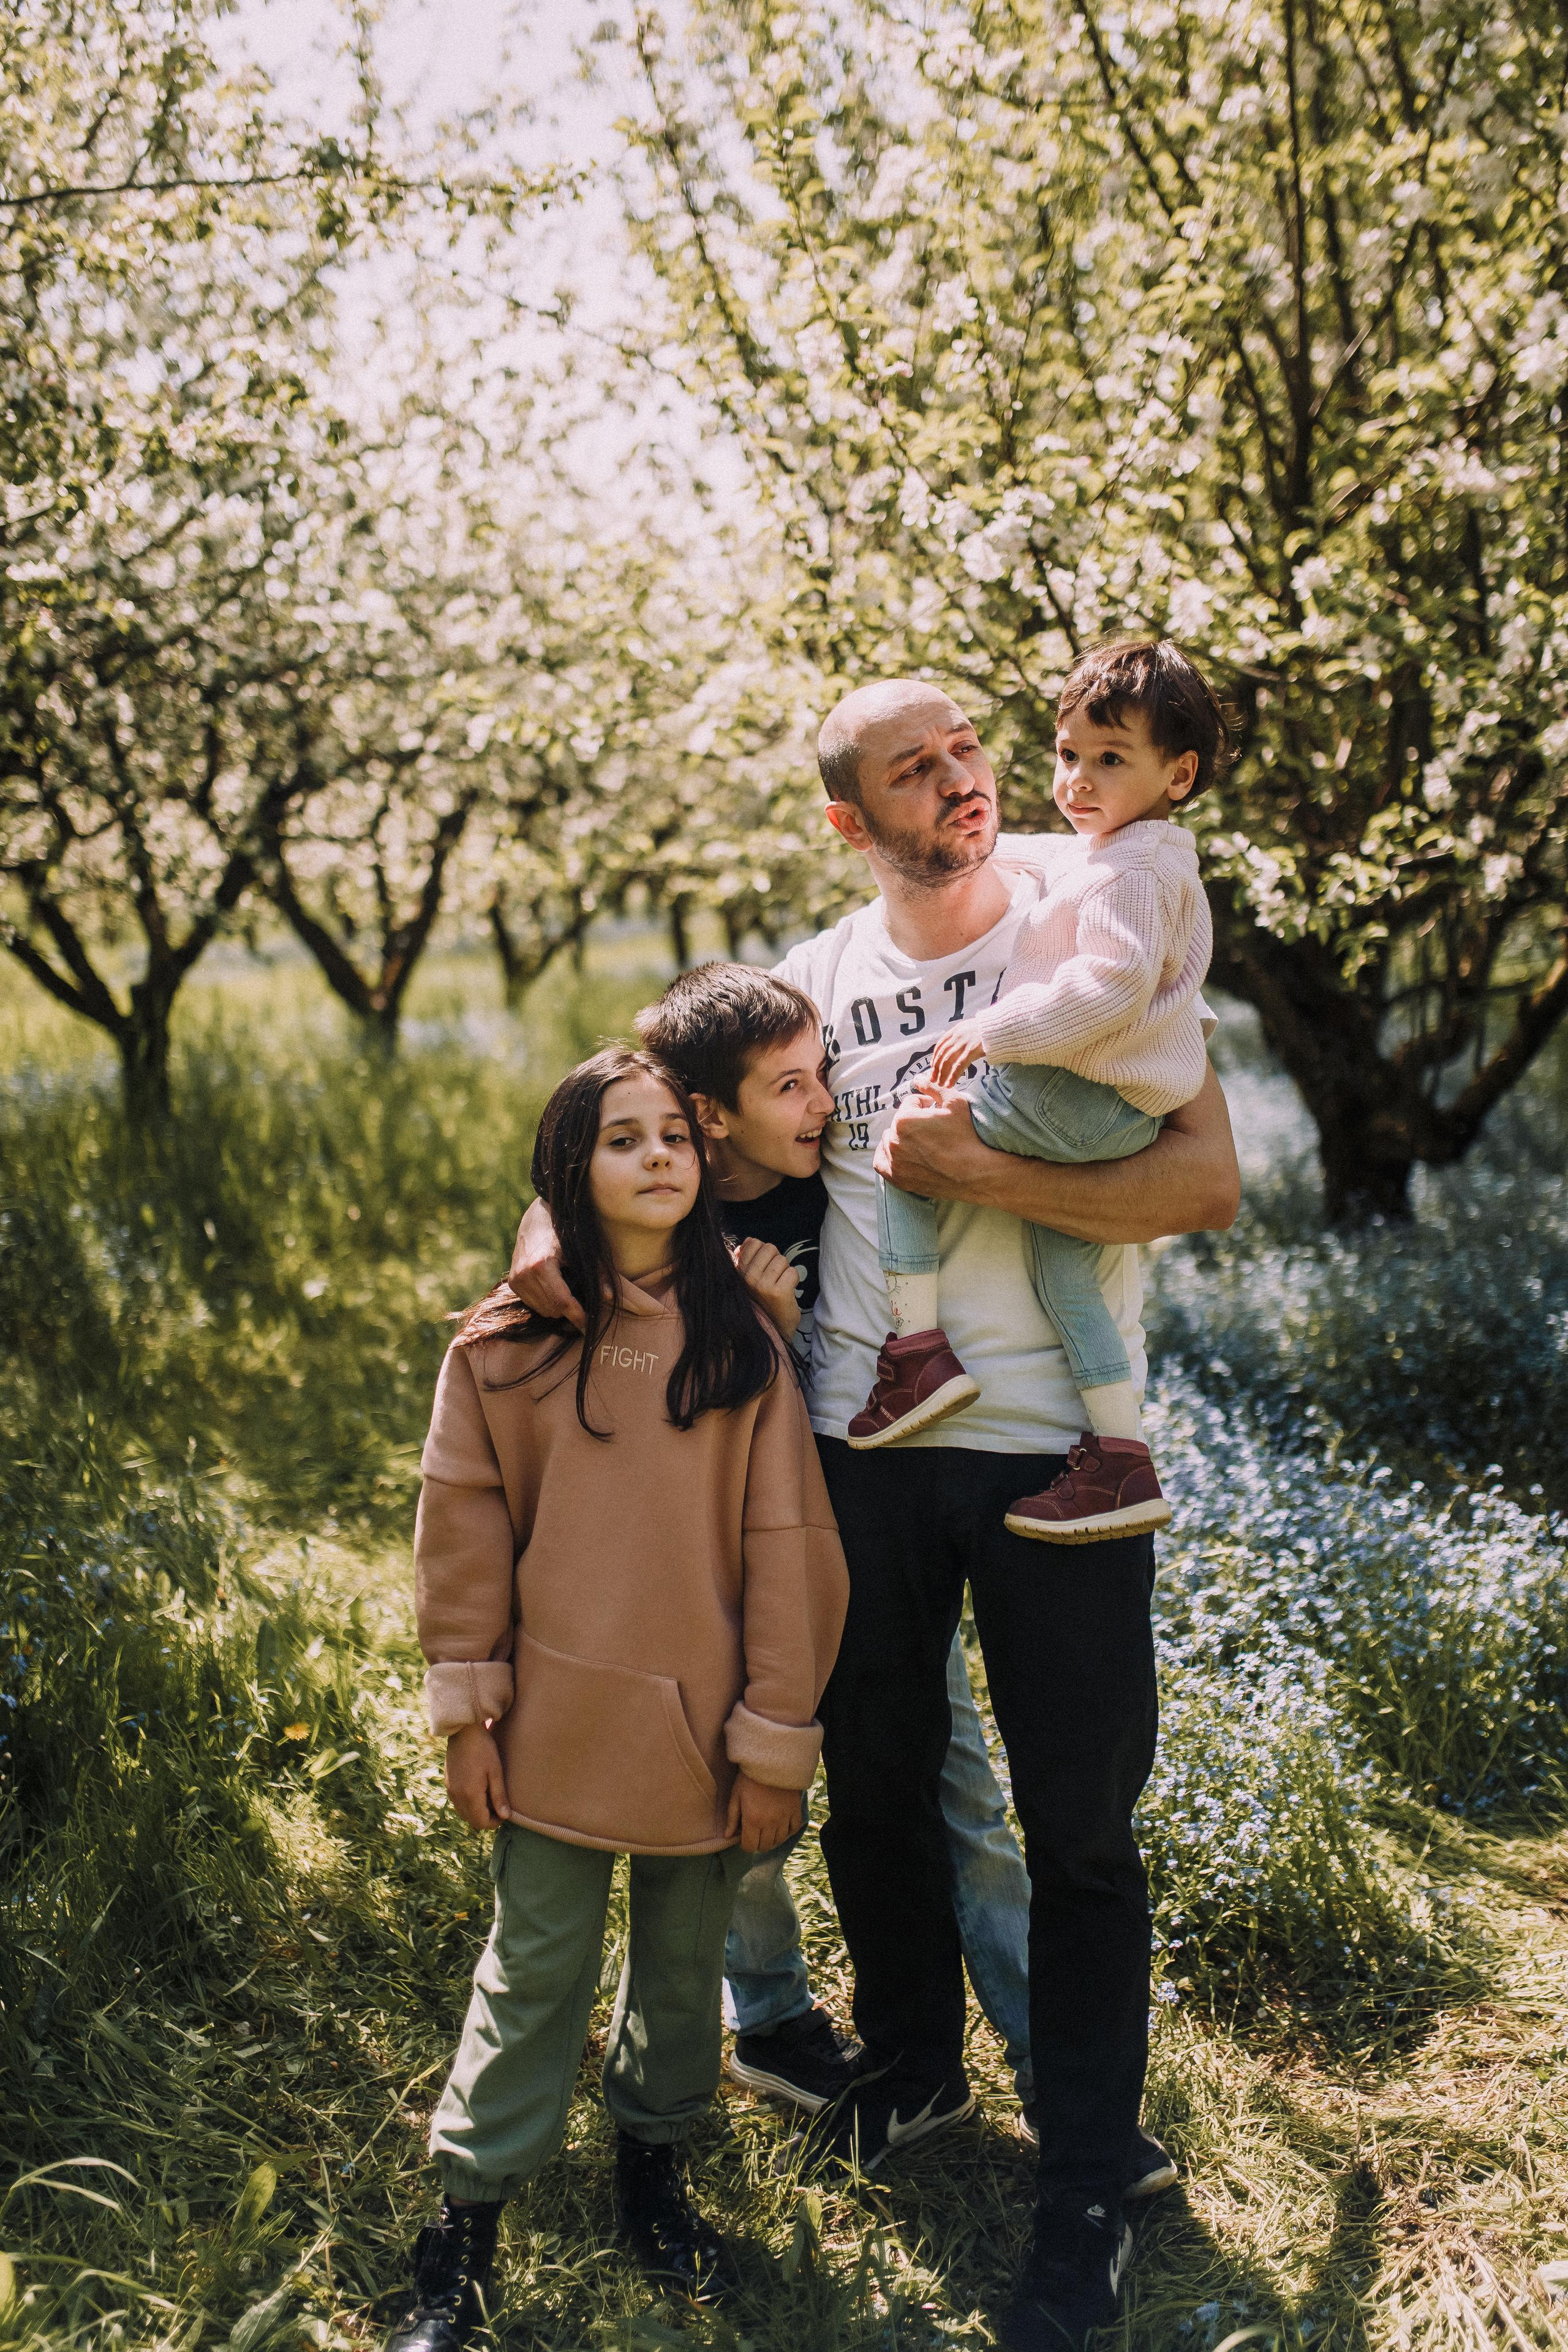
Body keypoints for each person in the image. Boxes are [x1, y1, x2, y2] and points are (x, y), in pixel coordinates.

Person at [511, 670, 1240, 2351]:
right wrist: (550, 1237)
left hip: (1065, 1448)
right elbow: (665, 1128)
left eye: (974, 748)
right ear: (851, 820)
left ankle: (1085, 2178)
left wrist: (989, 1175)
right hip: (862, 1442)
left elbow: (1202, 1180)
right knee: (881, 1781)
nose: (966, 781)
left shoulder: (1091, 903)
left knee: (1079, 1826)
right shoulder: (820, 985)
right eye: (917, 770)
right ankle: (912, 2065)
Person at [385, 1048, 848, 2352]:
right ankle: (465, 2229)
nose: (656, 1157)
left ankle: (653, 2175)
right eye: (620, 1139)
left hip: (704, 1736)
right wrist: (466, 1712)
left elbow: (785, 1550)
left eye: (674, 1140)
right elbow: (459, 1532)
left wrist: (774, 1744)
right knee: (532, 1967)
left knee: (682, 1969)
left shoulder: (739, 1345)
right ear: (567, 1169)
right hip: (550, 1729)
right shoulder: (501, 1346)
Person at [631, 960, 1036, 2117]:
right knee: (744, 1798)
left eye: (822, 1073)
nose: (824, 1103)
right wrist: (753, 1321)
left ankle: (1044, 2046)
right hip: (723, 1555)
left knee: (960, 1785)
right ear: (711, 1116)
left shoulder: (829, 1175)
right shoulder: (666, 1211)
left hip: (856, 1529)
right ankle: (770, 2018)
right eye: (792, 1086)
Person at [851, 639, 1226, 1551]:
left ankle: (916, 1354)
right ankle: (1121, 1455)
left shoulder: (1131, 873)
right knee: (1070, 1269)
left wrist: (994, 1031)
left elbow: (1113, 988)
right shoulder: (1122, 852)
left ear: (1179, 775)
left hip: (1080, 1093)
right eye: (1067, 756)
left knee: (912, 1146)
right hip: (1111, 1111)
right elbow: (1048, 854)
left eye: (1109, 761)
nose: (1078, 782)